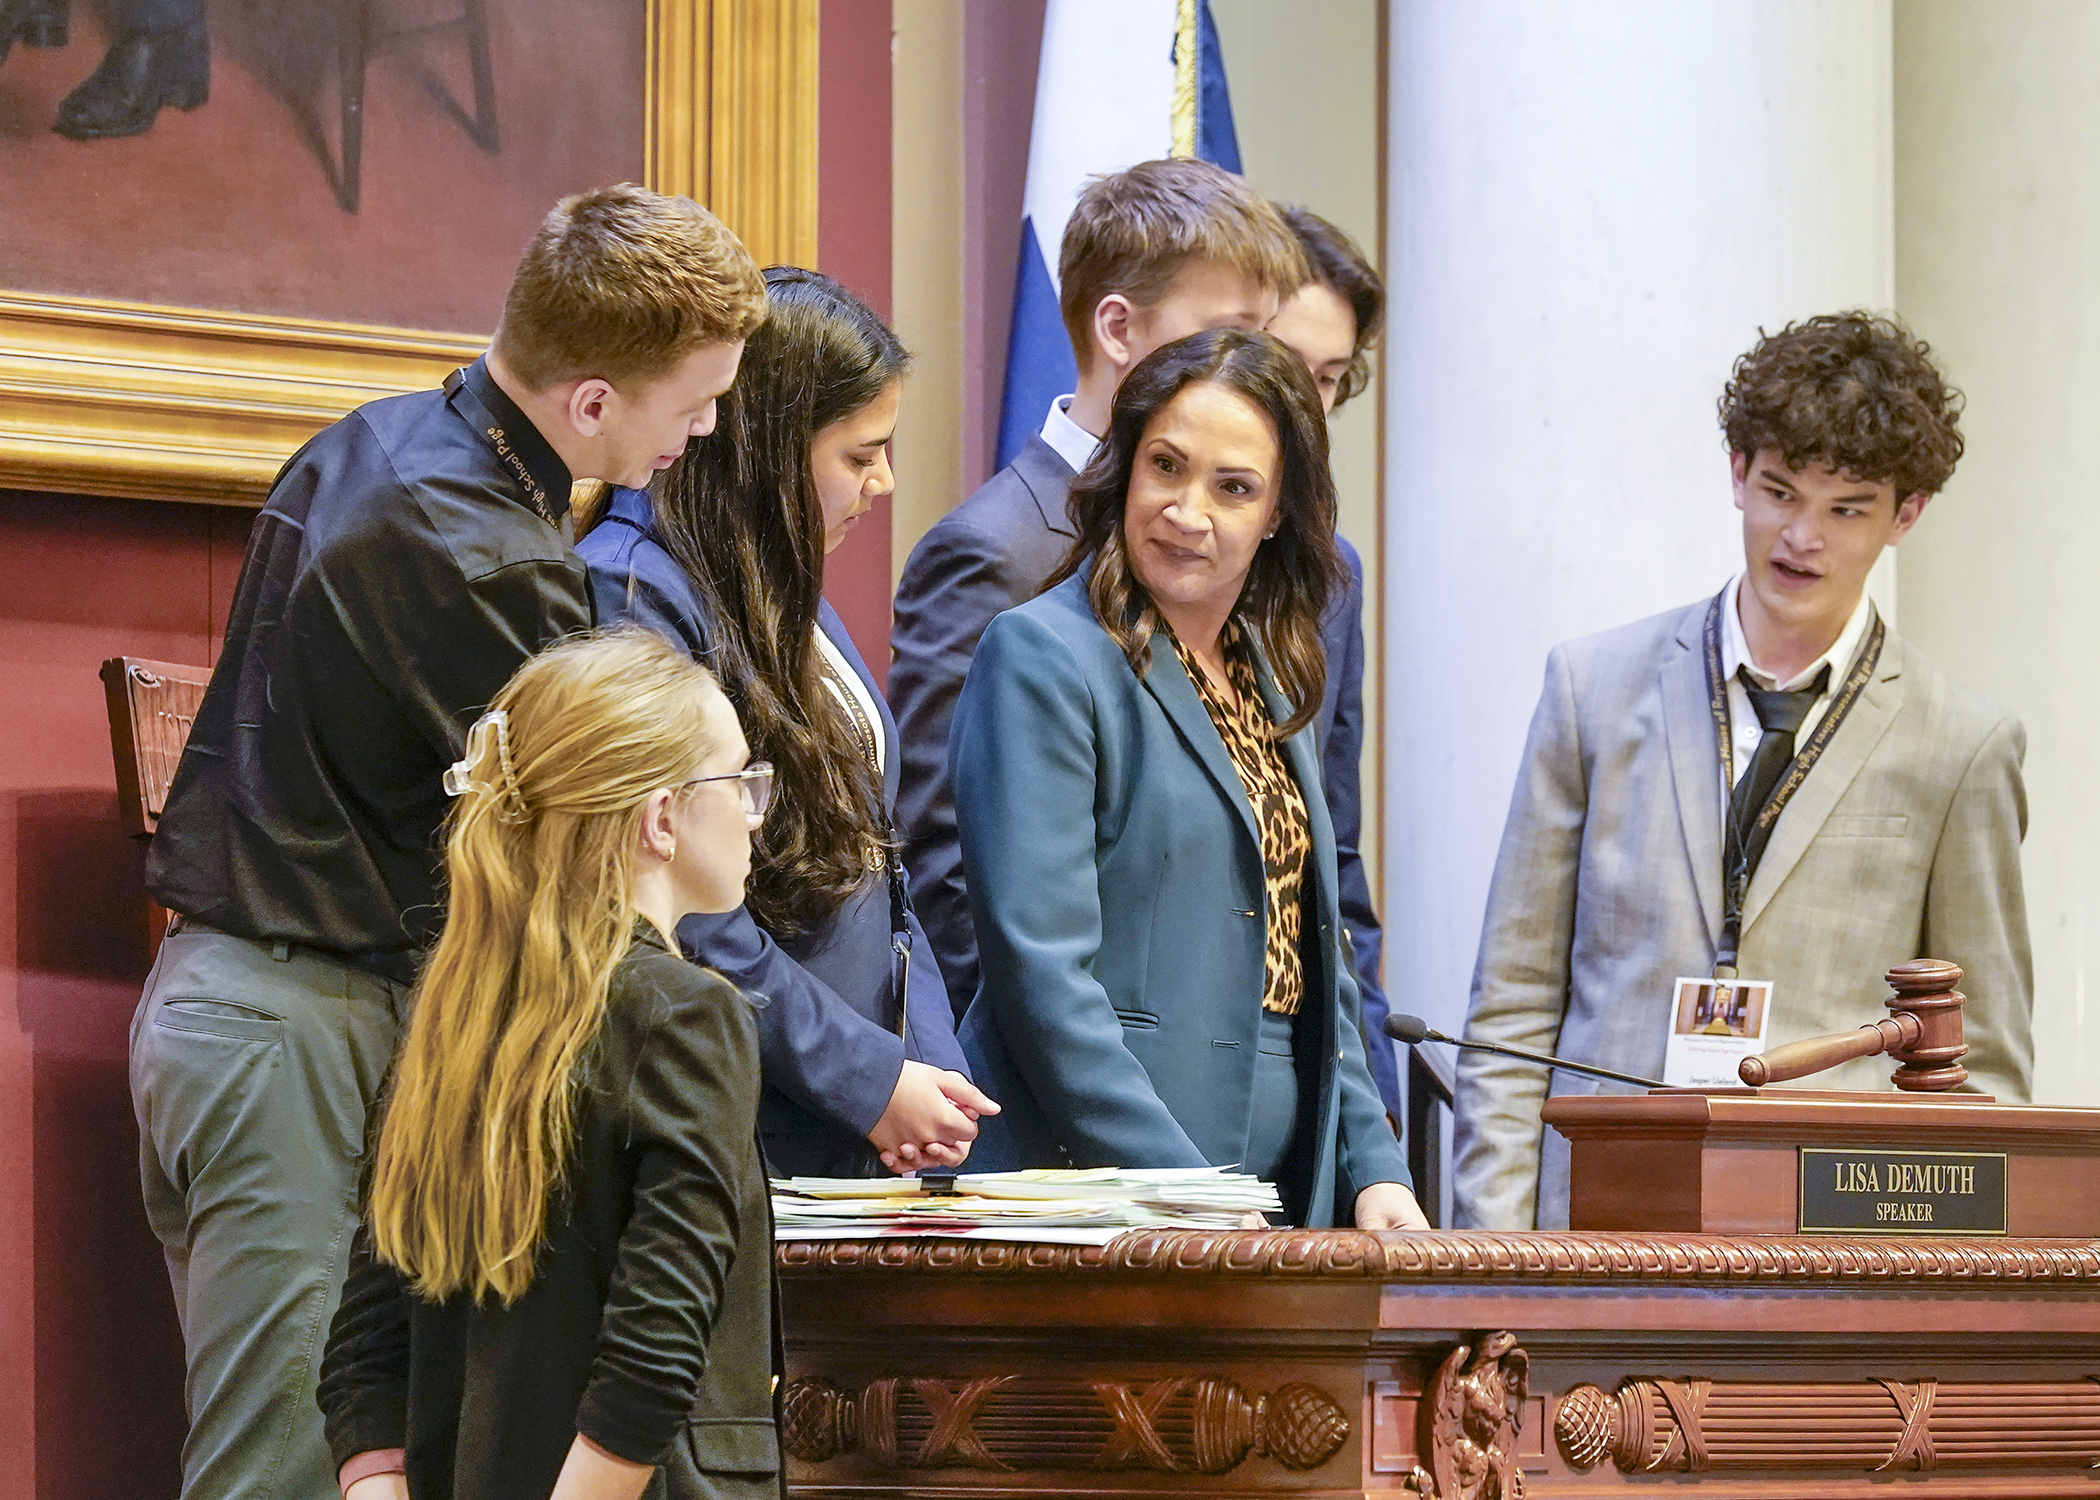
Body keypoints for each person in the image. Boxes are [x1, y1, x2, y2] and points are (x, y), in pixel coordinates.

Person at [135, 185, 765, 1500]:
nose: (704, 430)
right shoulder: (483, 555)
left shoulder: (366, 443)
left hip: (250, 1004)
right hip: (301, 1028)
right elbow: (582, 842)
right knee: (290, 1470)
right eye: (695, 399)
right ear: (593, 403)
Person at [1453, 312, 2035, 1231]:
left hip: (1829, 1256)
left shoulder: (1961, 744)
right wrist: (1490, 1261)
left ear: (1906, 515)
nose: (1800, 536)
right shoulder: (1591, 689)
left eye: (1846, 509)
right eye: (1779, 490)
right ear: (1737, 471)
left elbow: (1982, 1067)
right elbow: (1513, 1008)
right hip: (1593, 1235)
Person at [951, 327, 1426, 1231]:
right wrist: (1179, 1189)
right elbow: (1043, 977)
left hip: (1283, 1194)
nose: (1187, 509)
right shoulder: (1043, 656)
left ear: (1280, 513)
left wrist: (1375, 1170)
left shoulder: (1271, 677)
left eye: (1233, 487)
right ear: (1124, 468)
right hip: (1107, 1200)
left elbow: (1316, 960)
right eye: (1166, 466)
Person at [319, 628, 781, 1500]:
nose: (757, 809)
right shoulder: (688, 1013)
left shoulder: (447, 1024)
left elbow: (363, 1364)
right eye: (740, 780)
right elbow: (652, 1357)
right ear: (662, 818)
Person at [579, 267, 994, 1177]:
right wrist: (867, 1079)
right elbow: (679, 904)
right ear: (767, 448)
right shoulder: (634, 588)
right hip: (732, 1127)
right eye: (858, 455)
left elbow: (882, 871)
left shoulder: (782, 588)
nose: (883, 481)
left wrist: (929, 1073)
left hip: (851, 1134)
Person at [891, 157, 1307, 1019]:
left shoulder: (1239, 544)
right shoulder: (992, 551)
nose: (1255, 365)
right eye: (1227, 330)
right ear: (1118, 329)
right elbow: (949, 864)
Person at [1264, 206, 1398, 1116]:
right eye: (1284, 369)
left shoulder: (1333, 576)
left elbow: (1332, 852)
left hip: (1309, 1073)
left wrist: (1375, 1091)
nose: (1305, 407)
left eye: (1329, 378)